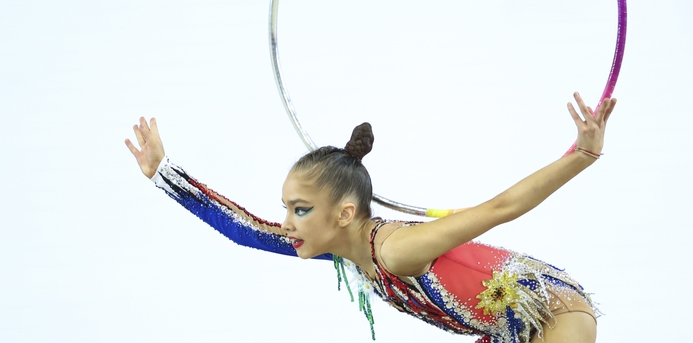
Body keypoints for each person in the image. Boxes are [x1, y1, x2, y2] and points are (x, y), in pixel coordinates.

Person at [125, 92, 616, 343]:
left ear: (344, 213)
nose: (287, 223)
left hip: (553, 318)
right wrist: (165, 175)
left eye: (300, 209)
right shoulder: (347, 250)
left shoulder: (396, 249)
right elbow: (246, 230)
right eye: (287, 209)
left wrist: (582, 156)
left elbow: (499, 209)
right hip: (507, 332)